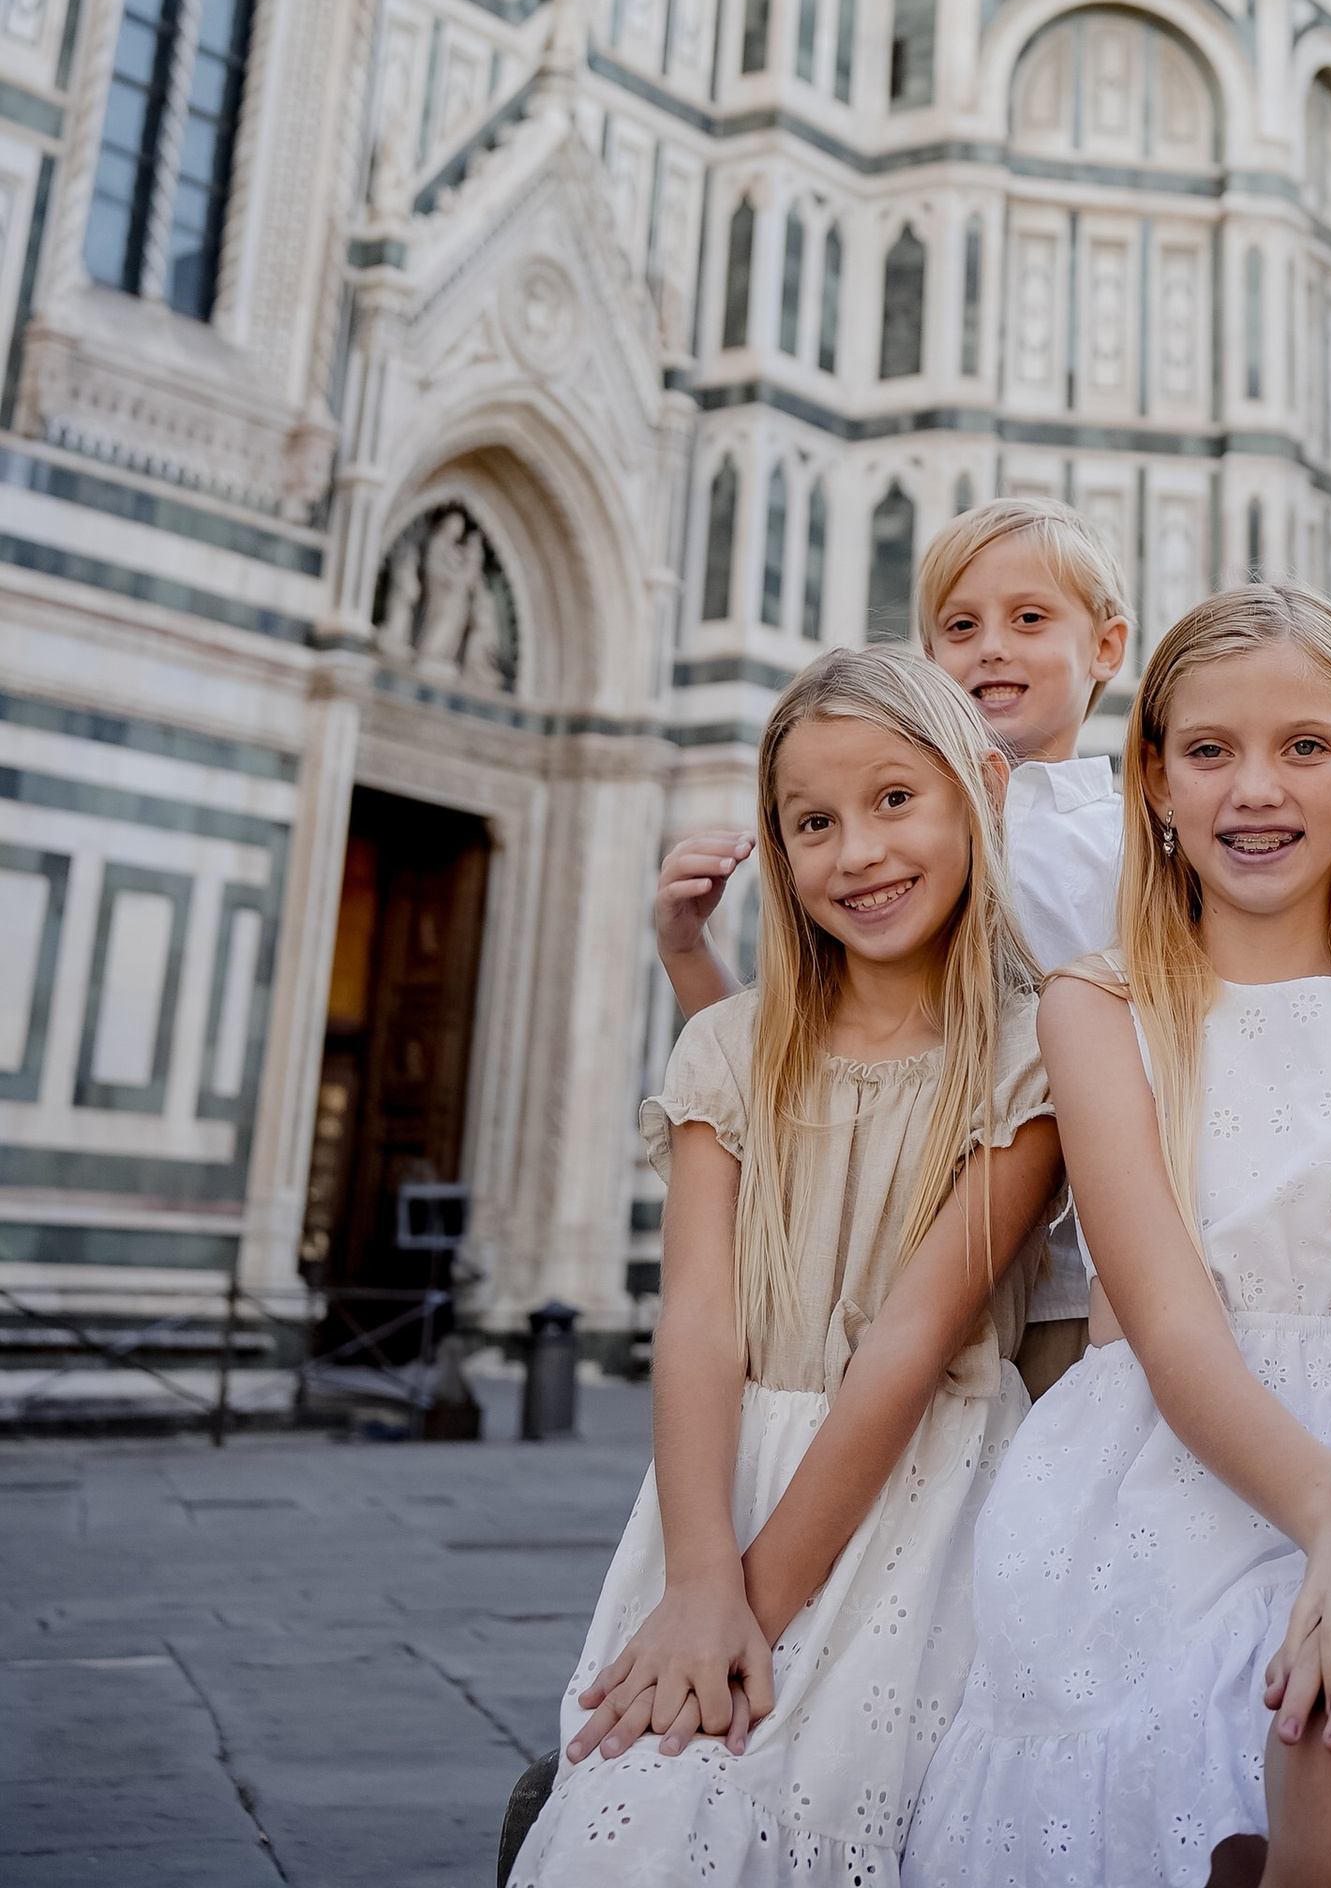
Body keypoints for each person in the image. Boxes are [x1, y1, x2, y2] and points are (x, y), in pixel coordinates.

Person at [905, 584, 1331, 1888]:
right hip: (1151, 1494)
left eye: (1305, 748)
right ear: (1156, 782)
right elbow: (1172, 1320)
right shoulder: (1101, 1007)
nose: (1257, 788)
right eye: (1210, 751)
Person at [509, 648, 1063, 1887]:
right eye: (812, 823)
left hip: (924, 1494)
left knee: (827, 1811)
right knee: (650, 1811)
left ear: (980, 789)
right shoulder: (726, 1046)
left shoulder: (1032, 1058)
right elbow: (701, 1322)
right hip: (725, 1488)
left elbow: (912, 1347)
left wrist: (748, 1613)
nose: (856, 852)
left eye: (893, 800)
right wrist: (701, 1579)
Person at [654, 497, 1127, 1395]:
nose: (991, 646)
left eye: (1029, 619)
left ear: (1105, 646)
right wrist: (687, 949)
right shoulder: (886, 851)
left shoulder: (1127, 851)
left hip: (1069, 1280)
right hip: (883, 1256)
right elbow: (784, 1057)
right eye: (960, 625)